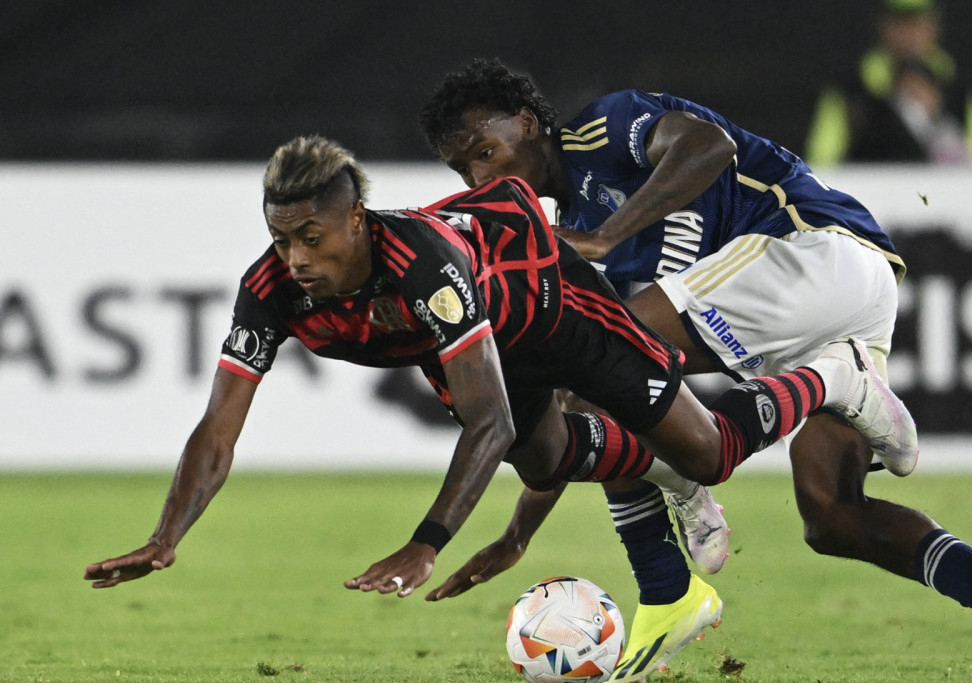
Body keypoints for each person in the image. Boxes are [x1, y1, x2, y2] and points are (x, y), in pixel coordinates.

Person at [83, 135, 917, 653]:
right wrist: (167, 536)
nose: (296, 258)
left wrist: (427, 541)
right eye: (281, 239)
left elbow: (484, 419)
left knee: (710, 451)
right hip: (489, 337)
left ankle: (836, 378)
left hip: (565, 310)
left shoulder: (421, 263)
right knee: (545, 451)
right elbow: (217, 430)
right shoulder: (270, 289)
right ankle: (672, 477)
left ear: (357, 221)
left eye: (311, 237)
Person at [417, 58, 972, 683]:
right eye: (461, 167)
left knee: (604, 357)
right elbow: (577, 405)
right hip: (824, 312)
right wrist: (518, 533)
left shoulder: (602, 129)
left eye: (484, 151)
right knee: (832, 516)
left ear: (526, 124)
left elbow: (709, 147)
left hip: (816, 251)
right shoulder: (574, 228)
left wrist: (609, 237)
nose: (479, 178)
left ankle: (669, 585)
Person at [805, 0, 972, 169]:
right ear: (882, 27)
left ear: (934, 27)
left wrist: (937, 119)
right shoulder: (850, 90)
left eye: (917, 24)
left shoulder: (961, 89)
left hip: (943, 205)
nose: (909, 34)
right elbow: (822, 163)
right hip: (869, 203)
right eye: (900, 23)